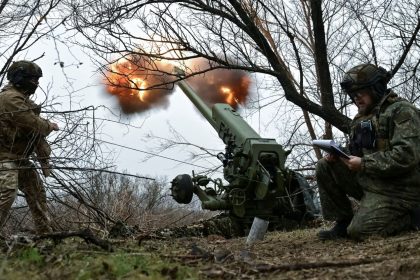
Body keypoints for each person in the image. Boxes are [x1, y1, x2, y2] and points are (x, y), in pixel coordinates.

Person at [316, 63, 420, 240]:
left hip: (401, 191)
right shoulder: (361, 118)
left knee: (360, 231)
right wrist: (340, 155)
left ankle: (411, 217)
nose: (357, 98)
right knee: (324, 165)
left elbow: (406, 156)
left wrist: (364, 164)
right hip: (372, 181)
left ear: (376, 89)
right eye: (353, 95)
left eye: (361, 92)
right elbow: (359, 151)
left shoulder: (402, 111)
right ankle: (343, 221)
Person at [0, 60, 59, 234]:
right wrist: (49, 125)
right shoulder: (9, 98)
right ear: (20, 78)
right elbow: (30, 122)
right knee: (7, 194)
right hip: (4, 157)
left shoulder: (20, 98)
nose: (36, 83)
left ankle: (46, 235)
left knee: (37, 193)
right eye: (32, 79)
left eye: (37, 80)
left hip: (19, 158)